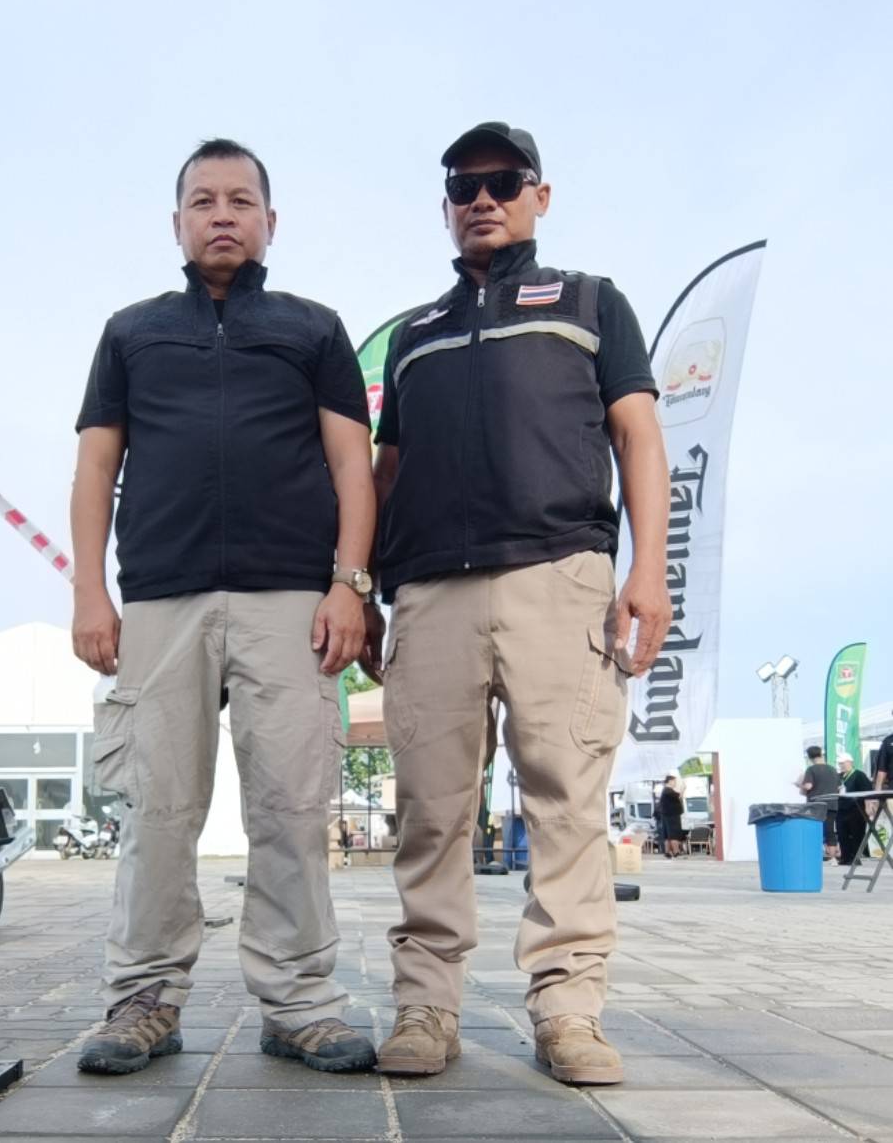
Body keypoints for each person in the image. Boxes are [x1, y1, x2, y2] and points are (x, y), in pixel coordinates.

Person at [366, 121, 671, 1085]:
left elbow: (639, 437)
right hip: (431, 596)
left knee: (566, 805)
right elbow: (385, 472)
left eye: (504, 181)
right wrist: (364, 587)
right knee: (431, 813)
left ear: (541, 195)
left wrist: (649, 570)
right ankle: (425, 1006)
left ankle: (569, 1011)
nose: (484, 199)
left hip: (560, 581)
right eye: (465, 187)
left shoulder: (591, 302)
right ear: (445, 209)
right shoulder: (413, 335)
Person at [71, 138, 377, 1076]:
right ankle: (144, 998)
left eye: (241, 201)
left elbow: (351, 465)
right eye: (203, 201)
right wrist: (90, 591)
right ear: (177, 223)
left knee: (290, 808)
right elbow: (95, 468)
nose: (222, 215)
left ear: (269, 222)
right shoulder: (131, 332)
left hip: (290, 598)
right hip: (161, 599)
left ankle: (299, 1003)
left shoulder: (312, 329)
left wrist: (350, 583)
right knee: (158, 810)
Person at [799, 745, 840, 861]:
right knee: (830, 830)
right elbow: (839, 787)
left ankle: (816, 855)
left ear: (809, 757)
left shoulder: (811, 769)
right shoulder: (832, 769)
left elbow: (808, 786)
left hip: (816, 805)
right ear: (821, 754)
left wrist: (799, 784)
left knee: (815, 829)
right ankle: (832, 857)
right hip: (832, 803)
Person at [835, 752, 871, 865]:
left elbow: (868, 791)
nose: (841, 765)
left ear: (850, 762)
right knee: (842, 834)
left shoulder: (859, 775)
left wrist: (869, 807)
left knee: (856, 834)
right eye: (840, 763)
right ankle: (845, 857)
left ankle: (855, 858)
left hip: (856, 810)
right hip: (841, 809)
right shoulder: (839, 776)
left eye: (843, 763)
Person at [657, 776, 685, 858]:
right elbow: (679, 796)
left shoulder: (666, 790)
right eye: (674, 781)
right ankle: (676, 852)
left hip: (667, 815)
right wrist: (683, 788)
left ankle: (667, 852)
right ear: (670, 781)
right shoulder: (668, 791)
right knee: (673, 834)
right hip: (672, 815)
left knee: (667, 835)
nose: (675, 783)